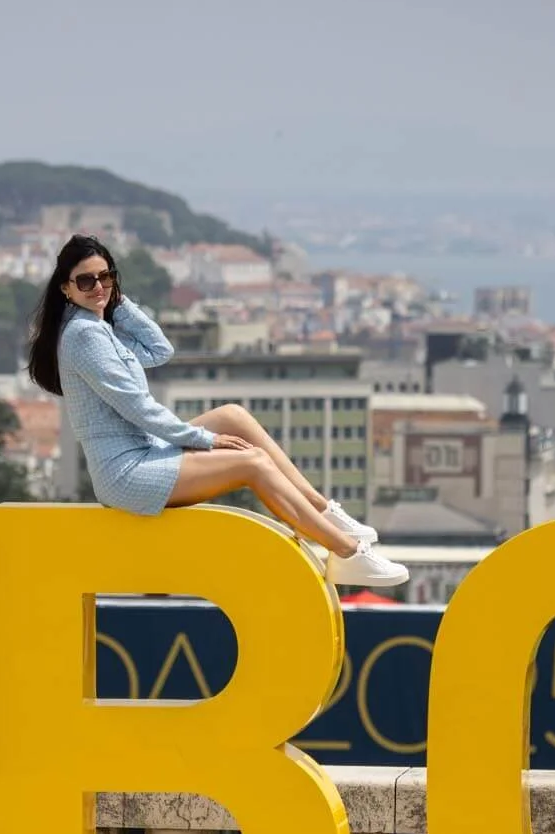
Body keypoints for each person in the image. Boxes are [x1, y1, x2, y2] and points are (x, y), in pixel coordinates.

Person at [26, 235, 409, 587]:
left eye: (106, 277)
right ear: (65, 288)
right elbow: (138, 408)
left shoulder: (97, 327)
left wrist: (117, 302)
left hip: (143, 453)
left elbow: (160, 350)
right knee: (252, 463)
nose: (98, 287)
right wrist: (205, 440)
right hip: (126, 473)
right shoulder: (85, 335)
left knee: (232, 416)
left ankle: (320, 510)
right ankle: (345, 552)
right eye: (86, 281)